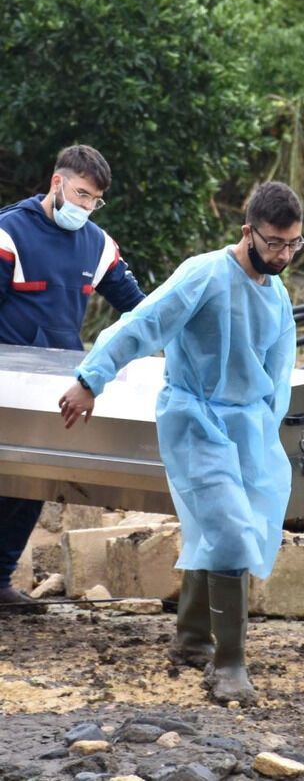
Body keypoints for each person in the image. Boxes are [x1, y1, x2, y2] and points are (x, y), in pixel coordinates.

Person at [57, 182, 303, 706]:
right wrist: (90, 378)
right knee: (232, 534)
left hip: (248, 429)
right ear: (248, 232)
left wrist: (265, 427)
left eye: (293, 245)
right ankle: (229, 665)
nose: (283, 255)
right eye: (275, 243)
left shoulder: (278, 297)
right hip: (195, 420)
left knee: (226, 527)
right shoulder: (206, 274)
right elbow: (143, 324)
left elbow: (277, 376)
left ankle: (191, 640)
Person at [0, 145, 147, 611]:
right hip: (7, 380)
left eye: (95, 201)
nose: (85, 207)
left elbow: (139, 307)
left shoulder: (97, 243)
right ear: (56, 182)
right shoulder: (9, 233)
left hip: (58, 383)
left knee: (34, 483)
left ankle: (0, 580)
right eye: (81, 194)